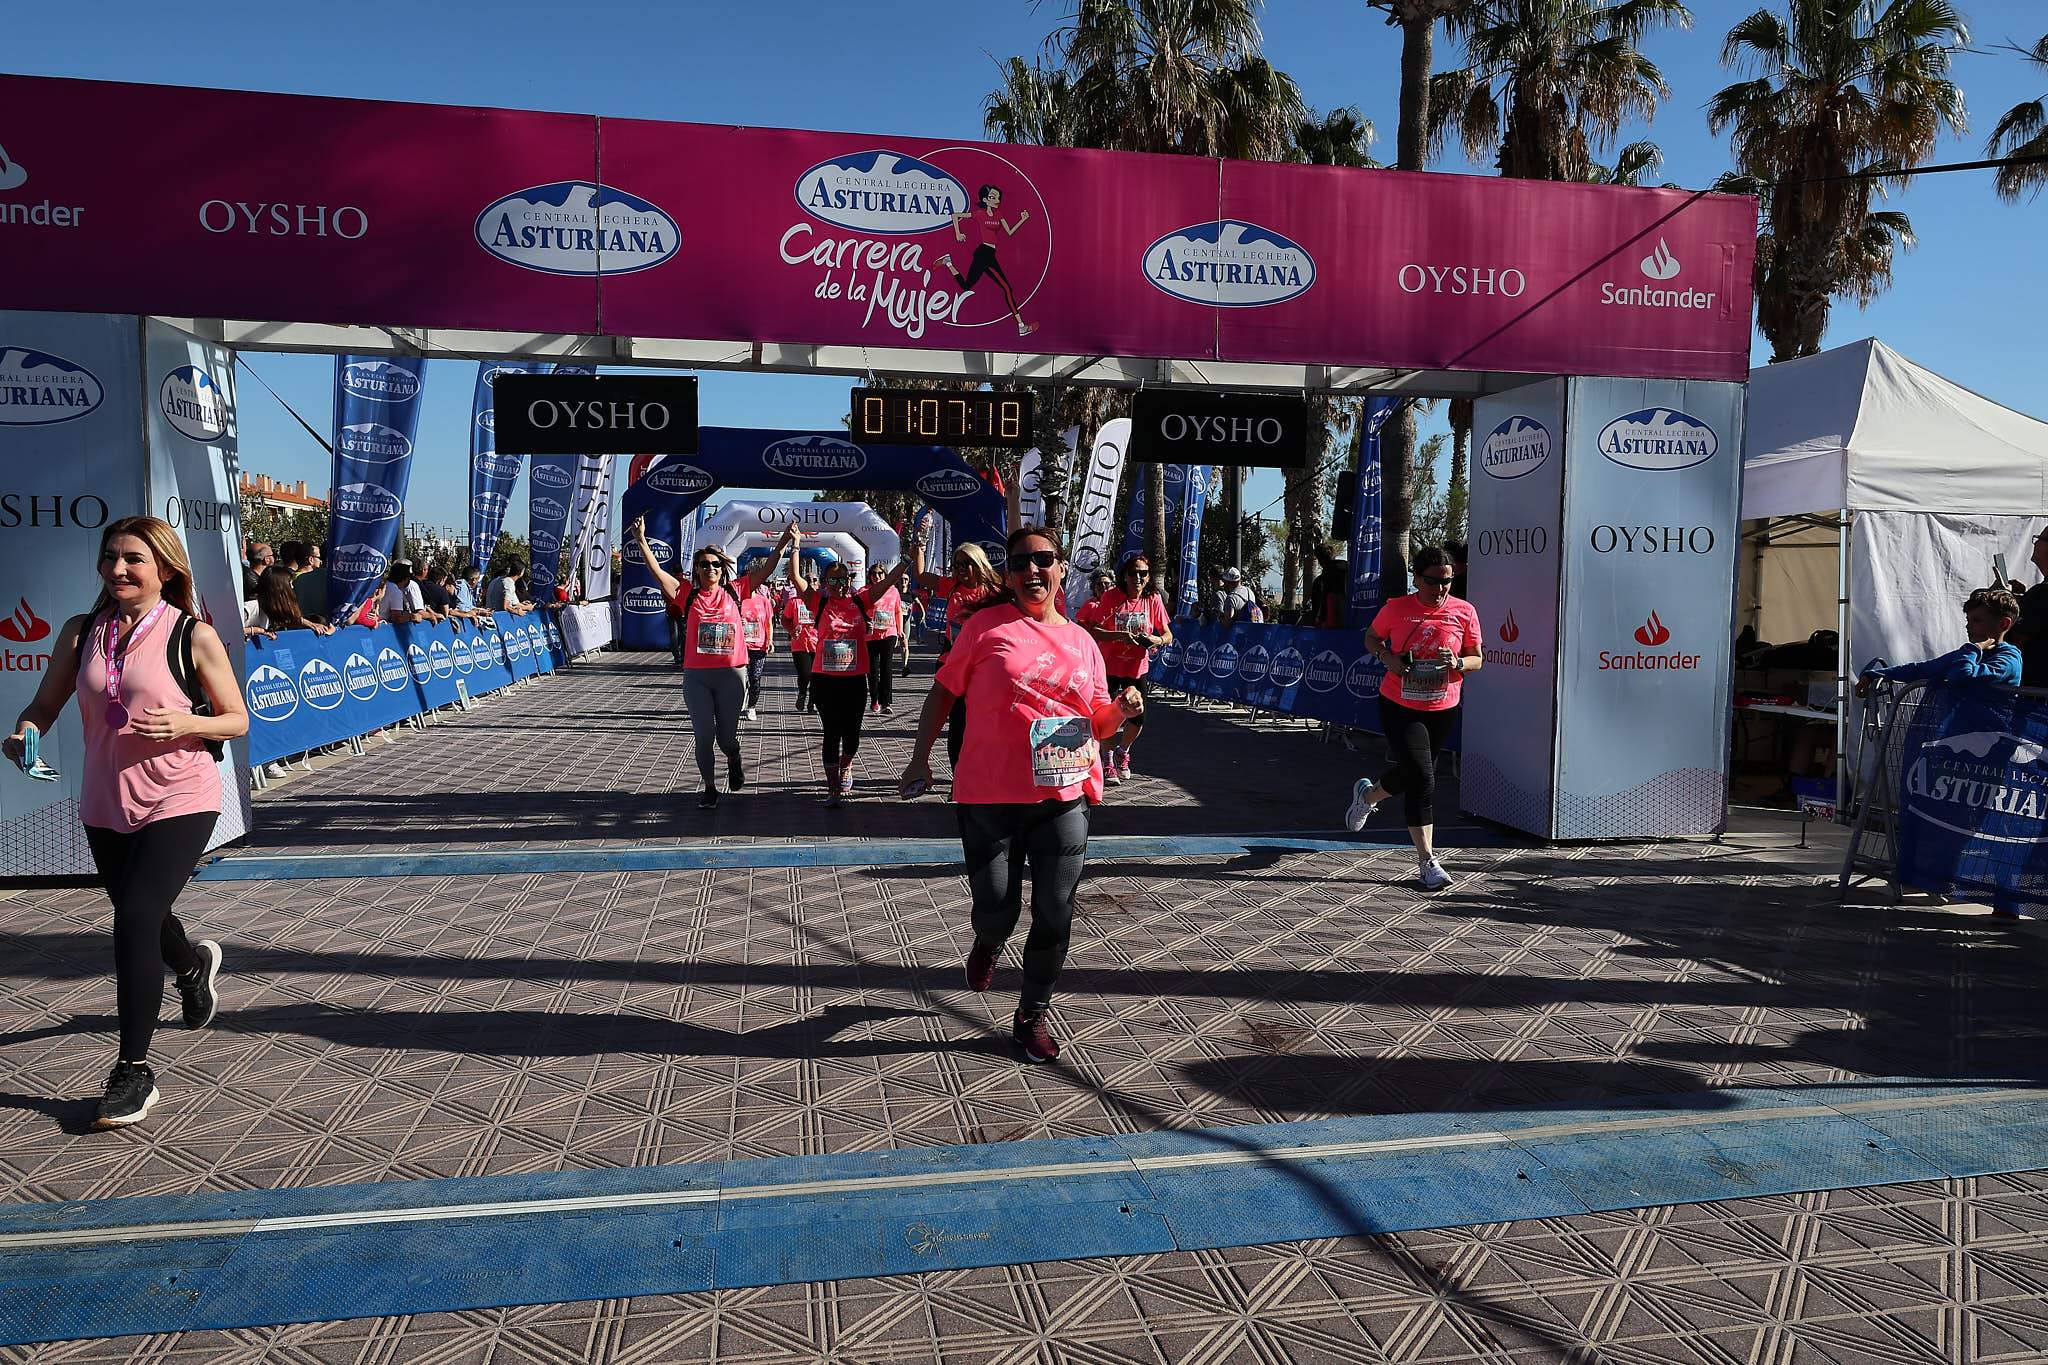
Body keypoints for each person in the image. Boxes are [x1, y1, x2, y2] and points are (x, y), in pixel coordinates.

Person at [5, 516, 249, 1129]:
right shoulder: (79, 632)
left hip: (180, 795)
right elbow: (45, 703)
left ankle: (133, 1071)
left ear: (164, 569)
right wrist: (27, 731)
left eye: (133, 558)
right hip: (105, 801)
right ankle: (191, 964)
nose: (118, 568)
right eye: (110, 557)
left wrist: (187, 724)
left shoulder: (191, 636)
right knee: (147, 913)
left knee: (134, 916)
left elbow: (236, 720)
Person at [897, 525, 1144, 1062]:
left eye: (1045, 560)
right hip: (989, 795)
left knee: (1055, 911)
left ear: (1060, 570)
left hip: (1063, 798)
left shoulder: (1084, 643)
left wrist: (1121, 713)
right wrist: (920, 758)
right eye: (1021, 563)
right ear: (1008, 575)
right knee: (996, 910)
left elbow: (1098, 722)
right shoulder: (986, 627)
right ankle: (988, 943)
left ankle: (1031, 1014)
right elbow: (943, 693)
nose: (1034, 570)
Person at [1342, 546, 1483, 891]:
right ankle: (1427, 862)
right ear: (1417, 579)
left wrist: (1458, 664)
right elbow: (1371, 637)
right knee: (1423, 778)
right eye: (1433, 581)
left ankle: (1368, 797)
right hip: (1399, 704)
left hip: (1443, 707)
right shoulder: (1397, 608)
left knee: (1413, 773)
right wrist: (1386, 656)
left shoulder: (1464, 611)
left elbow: (1477, 658)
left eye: (1448, 581)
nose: (1441, 588)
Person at [633, 517, 790, 809]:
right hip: (697, 677)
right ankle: (709, 788)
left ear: (723, 569)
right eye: (704, 564)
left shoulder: (737, 590)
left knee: (726, 738)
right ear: (697, 568)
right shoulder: (686, 593)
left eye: (715, 564)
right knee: (704, 736)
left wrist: (784, 541)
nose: (710, 569)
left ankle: (734, 756)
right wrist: (641, 539)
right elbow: (656, 572)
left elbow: (768, 567)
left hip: (731, 674)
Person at [791, 529, 918, 806]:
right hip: (825, 679)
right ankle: (833, 787)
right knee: (830, 731)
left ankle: (847, 763)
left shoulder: (861, 600)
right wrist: (796, 546)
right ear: (825, 582)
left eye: (842, 579)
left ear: (849, 581)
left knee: (852, 735)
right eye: (832, 580)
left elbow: (890, 582)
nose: (838, 584)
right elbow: (797, 579)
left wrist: (907, 560)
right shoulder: (819, 601)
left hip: (854, 679)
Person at [1077, 551, 1173, 786]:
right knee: (1108, 716)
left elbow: (1168, 634)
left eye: (1143, 574)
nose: (1138, 578)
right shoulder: (1111, 597)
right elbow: (1094, 630)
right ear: (1125, 576)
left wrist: (1155, 640)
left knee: (1137, 719)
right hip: (1109, 667)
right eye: (1133, 573)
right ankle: (1108, 759)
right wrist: (1120, 635)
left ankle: (1123, 751)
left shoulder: (1153, 599)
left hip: (1136, 668)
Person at [912, 542, 1004, 776]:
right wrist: (920, 549)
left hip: (983, 666)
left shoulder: (995, 590)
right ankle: (959, 777)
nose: (962, 569)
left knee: (983, 722)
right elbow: (922, 576)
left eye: (967, 563)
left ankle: (984, 773)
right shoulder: (951, 586)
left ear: (979, 563)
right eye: (957, 564)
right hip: (952, 662)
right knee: (958, 724)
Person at [1856, 588, 2024, 696]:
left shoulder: (2008, 658)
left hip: (1990, 740)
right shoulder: (1967, 655)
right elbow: (1920, 669)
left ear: (2004, 624)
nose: (1968, 625)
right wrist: (1875, 675)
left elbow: (1961, 676)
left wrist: (1973, 648)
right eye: (1968, 619)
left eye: (1976, 620)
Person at [938, 183, 1038, 339]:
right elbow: (955, 215)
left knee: (966, 286)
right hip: (984, 254)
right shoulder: (979, 214)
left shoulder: (999, 215)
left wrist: (1022, 220)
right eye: (992, 197)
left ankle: (948, 262)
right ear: (985, 199)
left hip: (989, 253)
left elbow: (1010, 232)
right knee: (1006, 288)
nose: (996, 200)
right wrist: (958, 233)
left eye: (998, 197)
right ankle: (1021, 326)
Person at [2005, 526, 2048, 689]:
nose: (2035, 543)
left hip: (2035, 694)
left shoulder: (2042, 593)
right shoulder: (2039, 594)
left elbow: (2015, 639)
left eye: (2039, 539)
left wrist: (2002, 605)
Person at [244, 566, 336, 642]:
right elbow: (231, 631)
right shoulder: (250, 607)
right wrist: (258, 631)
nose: (292, 588)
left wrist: (312, 625)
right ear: (279, 588)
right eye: (289, 584)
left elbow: (288, 617)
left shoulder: (270, 606)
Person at [864, 562, 905, 715]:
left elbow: (898, 610)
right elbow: (859, 610)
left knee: (886, 668)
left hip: (889, 633)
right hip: (871, 635)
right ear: (869, 576)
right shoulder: (865, 591)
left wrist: (900, 631)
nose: (877, 576)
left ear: (885, 575)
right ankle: (874, 700)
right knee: (873, 670)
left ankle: (886, 702)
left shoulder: (893, 591)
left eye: (880, 573)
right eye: (874, 573)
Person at [782, 565, 820, 712]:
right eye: (808, 580)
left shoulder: (823, 601)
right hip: (800, 644)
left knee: (817, 676)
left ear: (819, 584)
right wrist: (791, 630)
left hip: (819, 643)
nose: (811, 582)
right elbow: (785, 620)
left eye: (814, 580)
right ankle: (802, 693)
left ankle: (812, 701)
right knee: (805, 674)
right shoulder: (794, 602)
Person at [739, 574, 778, 722]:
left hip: (759, 645)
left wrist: (770, 640)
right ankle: (739, 701)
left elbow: (768, 622)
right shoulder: (736, 601)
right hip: (740, 646)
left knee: (755, 677)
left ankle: (752, 706)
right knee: (739, 679)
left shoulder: (764, 601)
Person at [379, 560, 442, 627]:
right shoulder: (396, 591)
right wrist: (413, 616)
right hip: (381, 628)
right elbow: (397, 618)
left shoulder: (385, 584)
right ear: (406, 578)